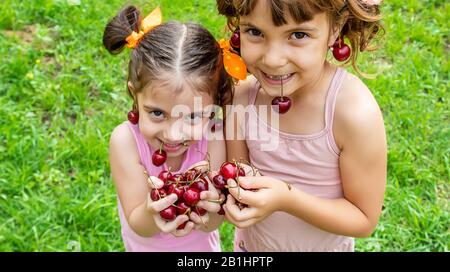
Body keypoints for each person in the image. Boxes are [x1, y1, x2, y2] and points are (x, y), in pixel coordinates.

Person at [216, 0, 387, 251]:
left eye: (298, 34)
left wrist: (287, 200)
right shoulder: (240, 98)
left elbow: (363, 219)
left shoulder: (353, 114)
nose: (273, 59)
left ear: (335, 28)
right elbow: (238, 179)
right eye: (255, 32)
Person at [103, 5, 241, 251]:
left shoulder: (214, 137)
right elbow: (138, 222)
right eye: (157, 113)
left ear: (214, 106)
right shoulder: (125, 141)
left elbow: (213, 224)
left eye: (193, 117)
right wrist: (153, 211)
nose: (172, 134)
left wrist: (209, 208)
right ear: (135, 97)